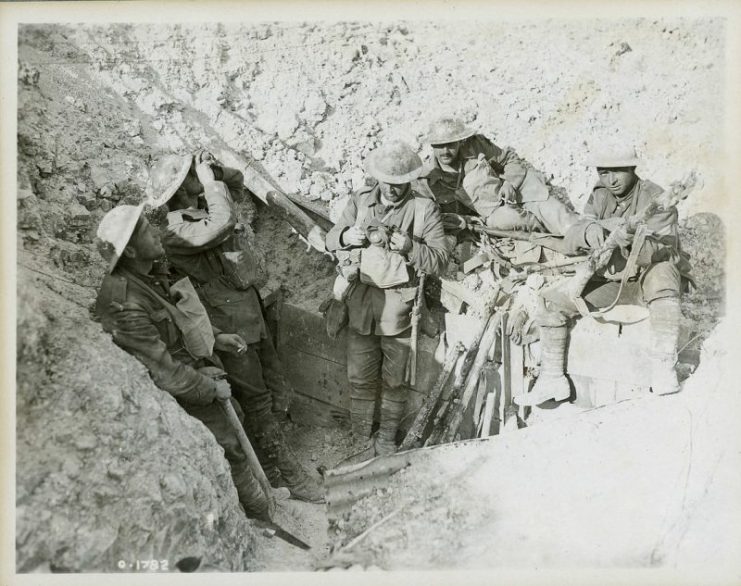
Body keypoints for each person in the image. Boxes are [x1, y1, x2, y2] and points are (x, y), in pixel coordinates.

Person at [146, 151, 322, 503]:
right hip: (226, 322)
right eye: (191, 175)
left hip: (248, 310)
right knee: (256, 400)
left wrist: (215, 172)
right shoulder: (174, 229)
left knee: (272, 388)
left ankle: (274, 472)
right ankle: (295, 480)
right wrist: (210, 184)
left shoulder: (203, 205)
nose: (202, 178)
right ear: (182, 188)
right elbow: (223, 224)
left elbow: (238, 183)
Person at [94, 204, 270, 519]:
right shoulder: (124, 302)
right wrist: (210, 388)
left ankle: (261, 497)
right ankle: (259, 512)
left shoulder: (148, 274)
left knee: (238, 417)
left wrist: (216, 337)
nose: (157, 232)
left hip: (192, 370)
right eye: (148, 230)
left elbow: (177, 318)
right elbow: (166, 374)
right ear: (131, 250)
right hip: (175, 392)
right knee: (226, 443)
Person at [515, 147, 692, 406]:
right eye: (603, 172)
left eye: (617, 171)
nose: (610, 179)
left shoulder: (657, 199)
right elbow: (575, 232)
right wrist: (593, 233)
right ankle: (552, 378)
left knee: (664, 274)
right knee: (552, 301)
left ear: (633, 169)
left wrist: (626, 239)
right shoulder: (600, 195)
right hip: (612, 278)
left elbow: (662, 249)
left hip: (647, 276)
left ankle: (663, 367)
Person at [325, 140, 451, 458]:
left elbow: (439, 260)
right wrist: (344, 236)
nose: (393, 190)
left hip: (399, 307)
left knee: (394, 381)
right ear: (377, 178)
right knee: (359, 377)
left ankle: (385, 440)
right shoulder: (361, 201)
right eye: (388, 183)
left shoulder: (424, 209)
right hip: (362, 305)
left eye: (400, 184)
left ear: (410, 180)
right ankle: (359, 437)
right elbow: (330, 238)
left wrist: (410, 247)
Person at [420, 116, 604, 250]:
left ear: (460, 142)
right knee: (514, 221)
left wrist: (510, 183)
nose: (445, 151)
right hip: (494, 215)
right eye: (439, 146)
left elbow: (510, 159)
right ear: (431, 146)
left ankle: (600, 241)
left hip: (519, 192)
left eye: (451, 144)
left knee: (557, 213)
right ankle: (567, 245)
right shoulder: (428, 179)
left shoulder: (476, 147)